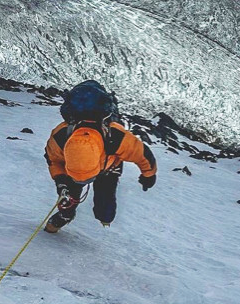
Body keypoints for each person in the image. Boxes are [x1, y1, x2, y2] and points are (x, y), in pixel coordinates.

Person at [44, 80, 157, 233]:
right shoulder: (60, 138)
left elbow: (142, 153)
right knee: (68, 199)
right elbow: (53, 160)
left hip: (109, 167)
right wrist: (61, 180)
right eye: (81, 178)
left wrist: (149, 175)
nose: (83, 180)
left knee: (105, 208)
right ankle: (64, 216)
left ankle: (103, 217)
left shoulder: (115, 137)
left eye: (85, 178)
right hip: (92, 167)